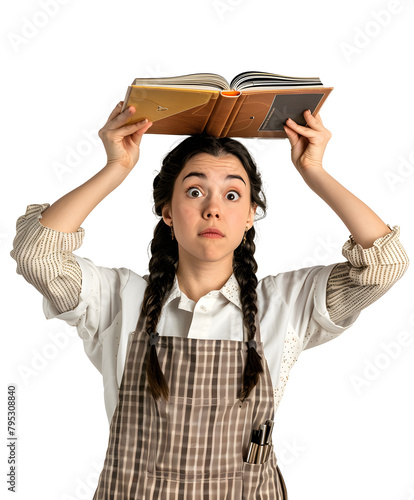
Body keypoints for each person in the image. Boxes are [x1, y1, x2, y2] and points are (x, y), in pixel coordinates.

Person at [10, 101, 409, 499]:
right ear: (167, 211)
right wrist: (116, 168)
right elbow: (36, 254)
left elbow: (384, 264)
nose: (213, 209)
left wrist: (315, 171)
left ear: (252, 214)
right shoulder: (117, 298)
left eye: (233, 195)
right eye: (195, 191)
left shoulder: (286, 304)